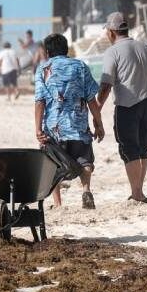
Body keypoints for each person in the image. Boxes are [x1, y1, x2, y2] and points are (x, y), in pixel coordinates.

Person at [96, 11, 147, 204]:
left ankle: (137, 193)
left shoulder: (113, 52)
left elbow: (106, 85)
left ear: (111, 32)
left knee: (129, 149)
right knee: (143, 150)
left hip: (127, 106)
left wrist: (97, 109)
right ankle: (138, 190)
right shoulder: (145, 48)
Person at [34, 33, 105, 209]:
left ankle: (58, 204)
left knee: (53, 165)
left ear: (47, 52)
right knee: (85, 160)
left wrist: (38, 129)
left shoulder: (43, 69)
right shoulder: (80, 66)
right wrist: (98, 123)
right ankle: (86, 190)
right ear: (66, 49)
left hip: (54, 128)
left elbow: (40, 102)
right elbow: (91, 99)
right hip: (78, 125)